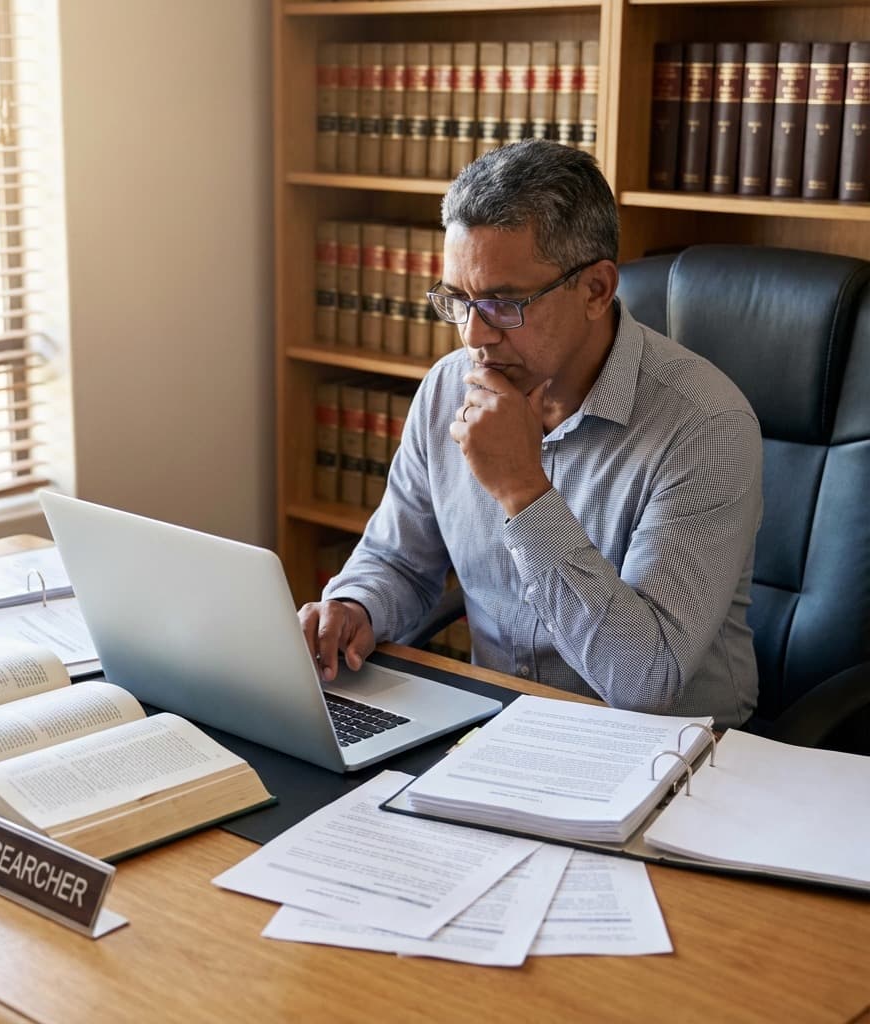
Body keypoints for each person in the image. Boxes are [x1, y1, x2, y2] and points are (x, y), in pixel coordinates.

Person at [299, 140, 762, 729]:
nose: (473, 336)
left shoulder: (705, 425)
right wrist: (354, 605)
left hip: (669, 758)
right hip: (495, 730)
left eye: (503, 303)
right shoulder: (448, 387)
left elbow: (646, 683)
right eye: (458, 301)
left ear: (595, 290)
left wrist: (523, 491)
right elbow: (398, 560)